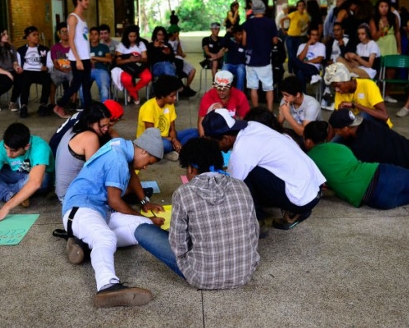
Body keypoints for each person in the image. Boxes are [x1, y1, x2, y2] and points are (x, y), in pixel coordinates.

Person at [134, 138, 259, 289]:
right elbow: (254, 231)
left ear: (191, 168)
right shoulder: (241, 186)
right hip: (244, 273)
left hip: (201, 277)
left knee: (142, 231)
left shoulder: (184, 193)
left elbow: (178, 246)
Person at [60, 128, 165, 308]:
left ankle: (83, 244)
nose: (146, 166)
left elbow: (131, 174)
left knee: (144, 226)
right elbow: (115, 201)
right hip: (80, 208)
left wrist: (144, 202)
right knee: (105, 237)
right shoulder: (118, 159)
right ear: (143, 151)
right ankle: (107, 285)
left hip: (101, 211)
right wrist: (139, 211)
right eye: (149, 162)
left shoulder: (122, 147)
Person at [202, 109, 325, 234]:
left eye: (214, 143)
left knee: (245, 178)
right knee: (250, 171)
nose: (216, 148)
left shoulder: (243, 149)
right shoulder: (252, 126)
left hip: (302, 199)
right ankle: (290, 209)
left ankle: (257, 223)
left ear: (226, 138)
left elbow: (231, 187)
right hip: (315, 188)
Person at [55, 102, 112, 202]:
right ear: (90, 123)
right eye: (102, 126)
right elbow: (95, 174)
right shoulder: (90, 137)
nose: (106, 129)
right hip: (72, 197)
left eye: (108, 125)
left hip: (64, 192)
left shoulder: (75, 129)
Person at [136, 76, 198, 161]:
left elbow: (172, 129)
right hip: (150, 141)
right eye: (172, 96)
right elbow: (152, 136)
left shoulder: (170, 105)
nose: (175, 98)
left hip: (167, 137)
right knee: (166, 144)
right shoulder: (148, 108)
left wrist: (174, 139)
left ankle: (169, 152)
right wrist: (173, 140)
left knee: (195, 132)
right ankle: (175, 150)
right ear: (162, 95)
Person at [54, 0, 92, 119]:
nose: (88, 2)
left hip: (85, 57)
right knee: (77, 84)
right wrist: (78, 59)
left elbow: (83, 40)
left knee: (85, 85)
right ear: (78, 1)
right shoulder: (72, 18)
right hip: (78, 59)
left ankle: (88, 111)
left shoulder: (82, 18)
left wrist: (88, 57)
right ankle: (59, 106)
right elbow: (71, 40)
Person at [324, 62, 393, 128]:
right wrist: (330, 140)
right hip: (356, 128)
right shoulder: (340, 91)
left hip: (379, 126)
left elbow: (384, 115)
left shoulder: (368, 85)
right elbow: (336, 120)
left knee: (363, 116)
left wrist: (355, 105)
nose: (336, 90)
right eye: (334, 87)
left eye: (338, 86)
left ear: (347, 80)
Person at [49, 99, 123, 156]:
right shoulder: (88, 127)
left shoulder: (89, 115)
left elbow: (114, 136)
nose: (107, 128)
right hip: (56, 155)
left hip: (54, 149)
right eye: (106, 125)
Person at [243, 0, 279, 111]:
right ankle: (270, 111)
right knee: (268, 87)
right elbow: (275, 41)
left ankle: (256, 111)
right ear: (264, 9)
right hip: (265, 59)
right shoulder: (271, 22)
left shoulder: (247, 23)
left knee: (253, 87)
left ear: (253, 9)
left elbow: (244, 42)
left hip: (251, 60)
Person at [197, 70, 249, 137]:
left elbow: (244, 119)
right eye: (218, 89)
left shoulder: (240, 96)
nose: (221, 92)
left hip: (232, 133)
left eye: (224, 90)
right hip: (214, 133)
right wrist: (204, 141)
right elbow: (201, 122)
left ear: (230, 87)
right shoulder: (208, 96)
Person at [16, 26, 52, 118]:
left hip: (40, 71)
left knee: (47, 80)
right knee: (23, 81)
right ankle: (24, 106)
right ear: (28, 38)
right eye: (34, 35)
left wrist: (47, 68)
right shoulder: (21, 50)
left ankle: (43, 104)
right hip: (27, 71)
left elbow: (49, 64)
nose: (37, 37)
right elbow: (18, 65)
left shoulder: (44, 49)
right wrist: (19, 69)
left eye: (37, 35)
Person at [370, 0, 401, 103]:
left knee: (391, 72)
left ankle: (387, 94)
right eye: (381, 6)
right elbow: (374, 37)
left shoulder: (394, 17)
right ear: (378, 8)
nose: (384, 9)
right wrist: (381, 28)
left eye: (386, 6)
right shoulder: (373, 19)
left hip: (391, 45)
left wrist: (399, 47)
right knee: (378, 72)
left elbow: (397, 32)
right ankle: (378, 94)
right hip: (379, 45)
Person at [0, 29, 22, 112]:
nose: (7, 36)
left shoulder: (11, 47)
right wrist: (7, 73)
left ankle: (12, 102)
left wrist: (16, 67)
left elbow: (15, 62)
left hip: (10, 70)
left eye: (6, 34)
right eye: (3, 34)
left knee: (22, 79)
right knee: (7, 82)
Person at [115, 25, 152, 105]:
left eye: (134, 36)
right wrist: (129, 59)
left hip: (139, 66)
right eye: (130, 36)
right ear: (126, 36)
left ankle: (132, 92)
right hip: (126, 67)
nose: (132, 38)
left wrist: (139, 59)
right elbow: (118, 62)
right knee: (125, 79)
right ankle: (135, 96)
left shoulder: (141, 44)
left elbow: (145, 59)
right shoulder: (122, 45)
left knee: (147, 77)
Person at [290, 27, 326, 92]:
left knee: (299, 71)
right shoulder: (302, 46)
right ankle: (313, 75)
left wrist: (307, 62)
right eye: (313, 35)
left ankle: (303, 96)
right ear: (308, 36)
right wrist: (307, 45)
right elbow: (300, 59)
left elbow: (319, 59)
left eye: (317, 35)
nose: (315, 37)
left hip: (313, 68)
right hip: (303, 69)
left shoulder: (321, 46)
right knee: (293, 61)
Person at [167, 24, 197, 96]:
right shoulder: (167, 42)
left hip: (179, 60)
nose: (178, 34)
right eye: (177, 32)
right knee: (176, 71)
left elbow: (180, 53)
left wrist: (178, 43)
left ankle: (186, 87)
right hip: (172, 61)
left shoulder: (177, 41)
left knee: (193, 70)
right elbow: (168, 55)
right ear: (173, 33)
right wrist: (176, 55)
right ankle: (181, 88)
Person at [282, 0, 309, 73]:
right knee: (291, 55)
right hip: (290, 36)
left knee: (296, 54)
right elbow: (282, 20)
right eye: (299, 5)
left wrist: (303, 30)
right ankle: (291, 70)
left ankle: (294, 69)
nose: (301, 7)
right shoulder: (294, 14)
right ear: (297, 7)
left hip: (298, 37)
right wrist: (283, 30)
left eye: (302, 5)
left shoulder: (305, 16)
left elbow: (308, 23)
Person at [49, 22, 73, 107]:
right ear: (59, 34)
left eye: (67, 31)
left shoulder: (74, 46)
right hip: (59, 70)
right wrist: (62, 69)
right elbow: (55, 63)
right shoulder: (55, 47)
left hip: (71, 70)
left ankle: (73, 102)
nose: (65, 34)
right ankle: (52, 104)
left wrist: (69, 68)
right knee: (51, 82)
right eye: (63, 32)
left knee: (76, 79)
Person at [88, 26, 112, 102]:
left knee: (104, 87)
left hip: (101, 70)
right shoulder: (85, 47)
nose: (93, 36)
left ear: (99, 36)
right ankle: (85, 106)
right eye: (91, 34)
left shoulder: (104, 47)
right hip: (87, 70)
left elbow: (109, 60)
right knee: (82, 87)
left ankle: (104, 106)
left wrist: (95, 58)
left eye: (96, 34)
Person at [220, 25, 246, 91]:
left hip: (240, 65)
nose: (241, 36)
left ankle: (239, 93)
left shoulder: (244, 43)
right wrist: (228, 33)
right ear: (234, 34)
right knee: (224, 70)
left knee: (240, 71)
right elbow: (222, 43)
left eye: (242, 34)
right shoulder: (230, 42)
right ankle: (223, 91)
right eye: (238, 34)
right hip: (230, 64)